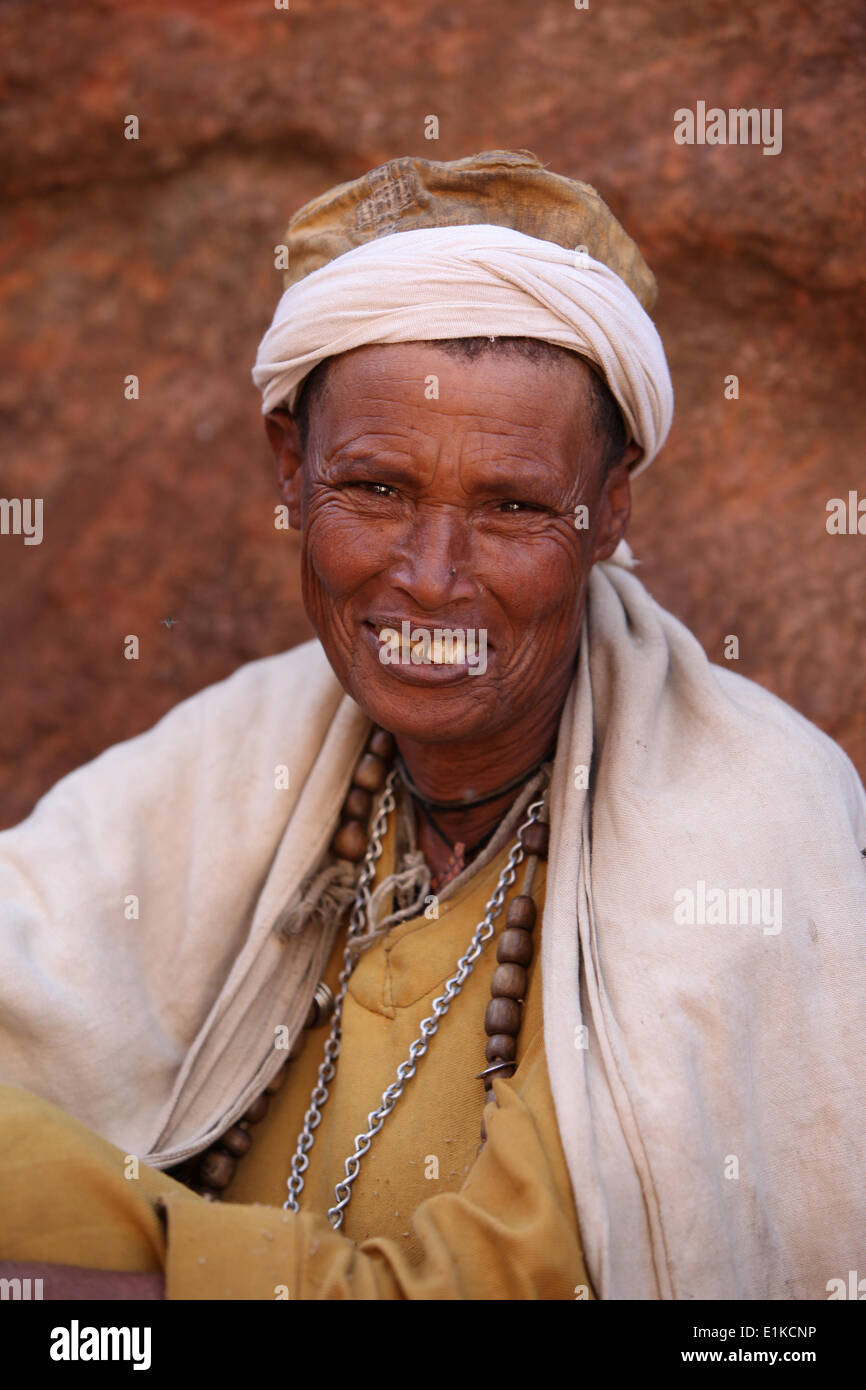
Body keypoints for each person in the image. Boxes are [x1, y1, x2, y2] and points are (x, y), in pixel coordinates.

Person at [1, 151, 864, 1301]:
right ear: (287, 469)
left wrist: (101, 1305)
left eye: (509, 507)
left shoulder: (746, 823)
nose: (430, 575)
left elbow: (521, 1284)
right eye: (375, 489)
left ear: (607, 512)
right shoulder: (252, 737)